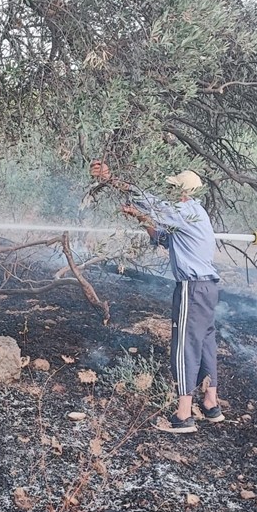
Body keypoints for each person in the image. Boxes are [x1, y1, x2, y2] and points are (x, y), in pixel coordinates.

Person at [90, 160, 224, 433]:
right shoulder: (193, 213)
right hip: (207, 288)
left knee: (184, 346)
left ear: (183, 192)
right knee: (205, 344)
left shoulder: (184, 210)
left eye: (173, 188)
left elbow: (149, 201)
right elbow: (164, 238)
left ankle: (183, 415)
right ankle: (211, 404)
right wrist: (141, 219)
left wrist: (111, 179)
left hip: (191, 288)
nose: (169, 191)